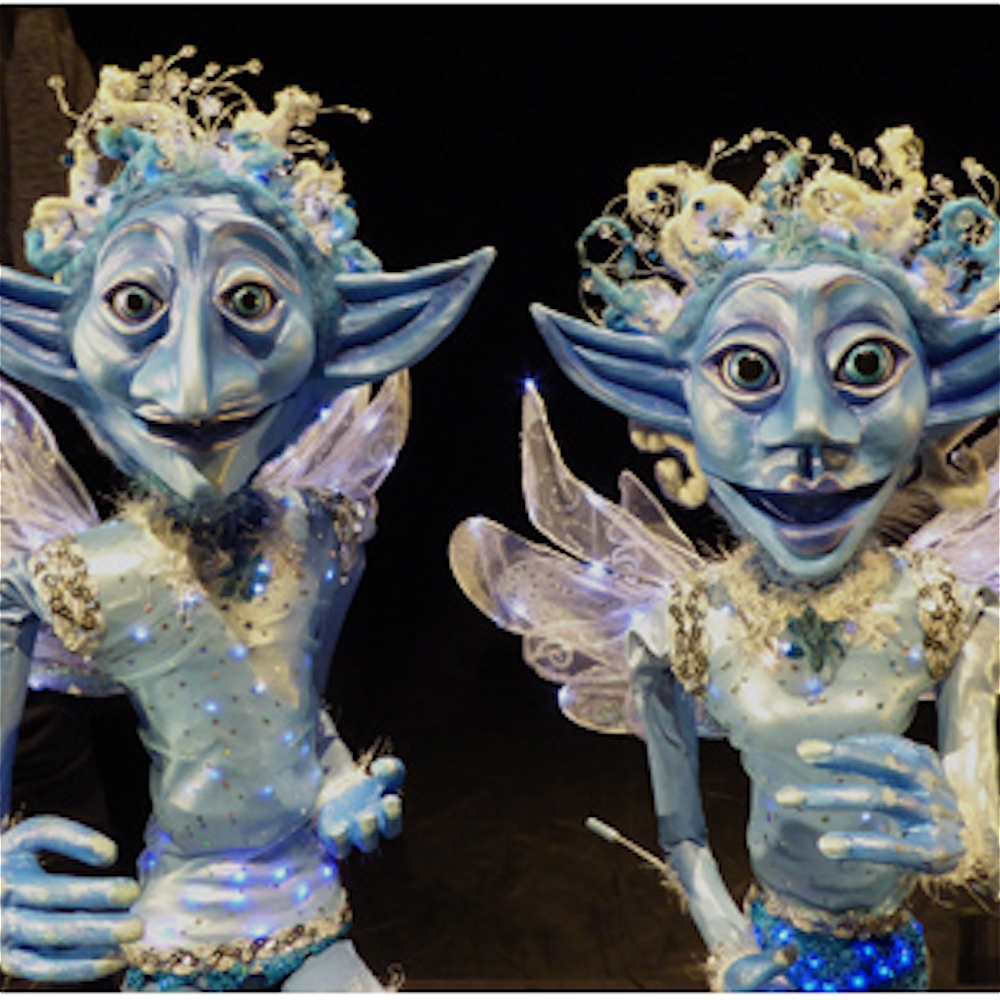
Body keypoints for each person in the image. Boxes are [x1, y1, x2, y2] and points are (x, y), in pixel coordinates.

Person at [451, 126, 998, 991]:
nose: (809, 427)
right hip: (771, 957)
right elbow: (684, 838)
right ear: (677, 405)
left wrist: (967, 830)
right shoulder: (679, 631)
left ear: (938, 393)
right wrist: (730, 947)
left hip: (900, 962)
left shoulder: (948, 617)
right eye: (748, 370)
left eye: (865, 364)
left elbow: (979, 813)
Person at [0, 47, 493, 990]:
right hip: (177, 931)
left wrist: (342, 785)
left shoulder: (323, 536)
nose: (193, 385)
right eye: (136, 304)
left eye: (251, 303)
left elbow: (292, 712)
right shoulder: (81, 573)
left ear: (339, 337)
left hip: (310, 909)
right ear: (59, 338)